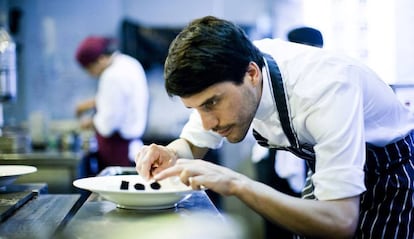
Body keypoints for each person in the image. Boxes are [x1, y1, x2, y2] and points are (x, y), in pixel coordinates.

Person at [135, 16, 414, 239]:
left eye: (211, 104)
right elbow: (192, 145)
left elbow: (340, 222)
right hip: (329, 167)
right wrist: (170, 153)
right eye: (195, 109)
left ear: (252, 74)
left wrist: (236, 183)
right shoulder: (227, 73)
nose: (207, 122)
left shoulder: (325, 89)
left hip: (392, 174)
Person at [251, 26, 324, 239]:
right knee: (275, 219)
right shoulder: (275, 68)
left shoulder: (323, 77)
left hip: (305, 155)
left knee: (301, 217)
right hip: (271, 155)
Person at [75, 36, 149, 173]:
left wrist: (90, 122)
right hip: (132, 149)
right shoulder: (129, 63)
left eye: (90, 69)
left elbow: (108, 125)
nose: (92, 74)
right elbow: (119, 101)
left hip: (118, 151)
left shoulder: (111, 76)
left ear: (101, 59)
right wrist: (92, 103)